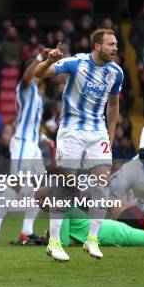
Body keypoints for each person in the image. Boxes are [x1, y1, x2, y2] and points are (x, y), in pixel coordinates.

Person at [34, 28, 123, 262]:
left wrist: (110, 135)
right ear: (97, 46)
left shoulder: (116, 73)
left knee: (103, 181)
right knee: (67, 183)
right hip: (72, 130)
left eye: (116, 44)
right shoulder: (77, 63)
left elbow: (113, 105)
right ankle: (54, 242)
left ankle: (92, 239)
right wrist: (48, 61)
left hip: (97, 132)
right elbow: (39, 73)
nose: (115, 48)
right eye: (111, 44)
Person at [0, 57, 53, 244]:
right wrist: (40, 58)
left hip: (32, 144)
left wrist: (44, 138)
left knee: (41, 188)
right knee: (17, 184)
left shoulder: (38, 97)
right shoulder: (25, 88)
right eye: (39, 67)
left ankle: (27, 231)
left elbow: (30, 124)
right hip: (23, 143)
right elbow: (25, 78)